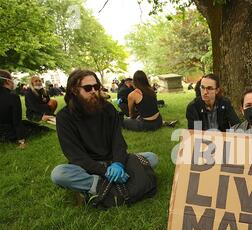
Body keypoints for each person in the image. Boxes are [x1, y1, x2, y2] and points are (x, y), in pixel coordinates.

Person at [50, 69, 159, 201]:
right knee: (59, 174)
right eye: (88, 88)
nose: (94, 91)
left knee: (152, 158)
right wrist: (104, 171)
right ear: (74, 90)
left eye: (96, 87)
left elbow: (118, 141)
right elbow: (75, 156)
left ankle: (96, 188)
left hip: (113, 161)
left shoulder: (108, 108)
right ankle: (100, 184)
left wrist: (118, 164)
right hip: (87, 167)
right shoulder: (64, 117)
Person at [0, 70, 49, 148]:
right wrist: (21, 140)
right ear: (7, 81)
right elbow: (16, 121)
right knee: (40, 129)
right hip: (9, 133)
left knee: (28, 123)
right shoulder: (13, 97)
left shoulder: (43, 91)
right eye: (12, 79)